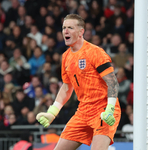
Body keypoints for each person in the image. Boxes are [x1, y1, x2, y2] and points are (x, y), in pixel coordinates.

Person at [36, 14, 121, 150]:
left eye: (70, 27)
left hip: (103, 110)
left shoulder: (95, 52)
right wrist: (52, 112)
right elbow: (66, 88)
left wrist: (110, 109)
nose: (66, 31)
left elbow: (113, 82)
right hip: (83, 111)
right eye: (64, 28)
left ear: (81, 32)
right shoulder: (65, 57)